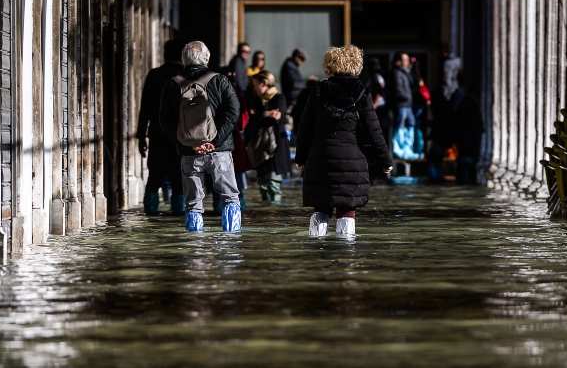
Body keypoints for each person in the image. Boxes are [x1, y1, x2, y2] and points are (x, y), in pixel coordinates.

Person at [296, 45, 393, 239]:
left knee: (321, 208)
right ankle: (346, 255)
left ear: (329, 66)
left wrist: (300, 158)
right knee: (347, 209)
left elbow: (304, 128)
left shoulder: (317, 91)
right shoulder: (361, 94)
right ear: (356, 65)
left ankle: (315, 249)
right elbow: (375, 131)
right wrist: (386, 161)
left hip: (320, 159)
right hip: (352, 159)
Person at [159, 41, 242, 233]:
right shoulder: (220, 80)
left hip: (189, 153)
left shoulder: (173, 84)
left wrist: (186, 142)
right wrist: (214, 141)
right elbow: (234, 111)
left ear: (183, 59)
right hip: (219, 152)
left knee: (193, 204)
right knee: (230, 198)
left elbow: (165, 120)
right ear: (206, 58)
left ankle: (194, 247)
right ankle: (230, 243)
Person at [136, 37, 186, 216]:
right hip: (182, 137)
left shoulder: (154, 75)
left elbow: (145, 109)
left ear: (165, 54)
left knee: (154, 177)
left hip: (157, 135)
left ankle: (150, 214)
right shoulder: (187, 76)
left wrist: (141, 136)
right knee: (179, 180)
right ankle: (178, 216)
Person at [244, 71, 290, 204]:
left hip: (276, 148)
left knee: (274, 186)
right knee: (263, 187)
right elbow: (253, 119)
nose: (254, 88)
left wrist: (260, 115)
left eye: (256, 85)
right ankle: (266, 215)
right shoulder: (256, 99)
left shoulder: (279, 97)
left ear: (264, 84)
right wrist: (265, 114)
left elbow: (277, 117)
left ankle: (274, 218)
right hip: (260, 149)